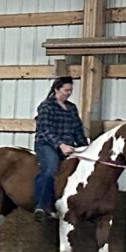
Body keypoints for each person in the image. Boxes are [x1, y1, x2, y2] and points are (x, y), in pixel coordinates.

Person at [33, 73, 87, 219]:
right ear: (57, 89)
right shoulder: (46, 106)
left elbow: (77, 129)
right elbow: (45, 130)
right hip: (46, 143)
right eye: (66, 90)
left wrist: (85, 147)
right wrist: (60, 145)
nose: (69, 93)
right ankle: (41, 206)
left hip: (68, 145)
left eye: (70, 91)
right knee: (51, 168)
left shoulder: (72, 108)